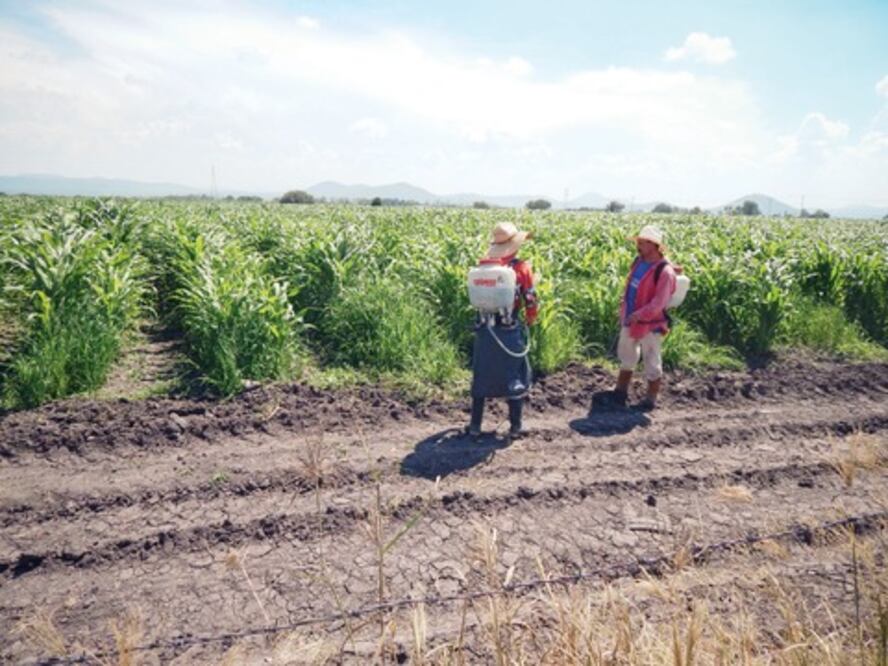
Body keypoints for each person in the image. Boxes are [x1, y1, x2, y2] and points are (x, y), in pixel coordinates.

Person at [467, 222, 539, 439]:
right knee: (515, 374)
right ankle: (516, 426)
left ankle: (475, 426)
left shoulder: (481, 268)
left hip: (484, 330)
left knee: (481, 374)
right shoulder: (521, 268)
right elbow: (530, 297)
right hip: (508, 329)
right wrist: (531, 317)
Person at [607, 225, 677, 411]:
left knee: (652, 359)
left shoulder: (665, 272)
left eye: (642, 242)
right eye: (638, 241)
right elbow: (631, 287)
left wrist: (639, 314)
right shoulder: (638, 262)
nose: (638, 245)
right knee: (627, 354)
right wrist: (625, 308)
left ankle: (650, 399)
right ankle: (621, 390)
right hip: (631, 318)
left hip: (650, 323)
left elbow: (659, 303)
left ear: (654, 245)